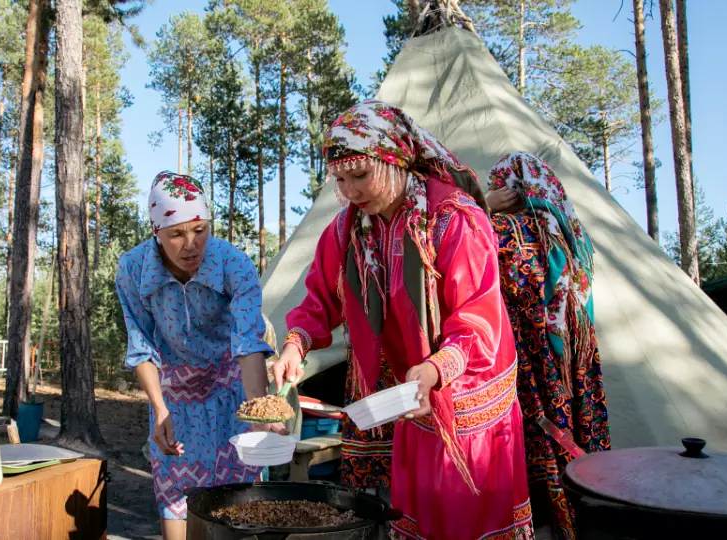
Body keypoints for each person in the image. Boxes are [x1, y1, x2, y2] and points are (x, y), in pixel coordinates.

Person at [273, 100, 532, 540]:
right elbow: (320, 297)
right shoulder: (349, 230)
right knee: (419, 512)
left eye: (361, 175)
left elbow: (477, 316)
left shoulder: (453, 219)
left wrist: (435, 369)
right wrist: (295, 344)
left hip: (468, 389)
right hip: (416, 391)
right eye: (340, 179)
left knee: (465, 514)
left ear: (395, 159)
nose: (352, 191)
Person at [116, 171, 277, 540]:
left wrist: (257, 412)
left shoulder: (233, 263)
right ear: (156, 231)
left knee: (243, 508)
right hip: (174, 402)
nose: (191, 245)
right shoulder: (132, 269)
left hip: (232, 394)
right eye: (176, 234)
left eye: (200, 229)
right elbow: (141, 345)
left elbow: (248, 342)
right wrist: (159, 409)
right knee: (176, 500)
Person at [486, 153, 610, 539]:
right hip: (575, 364)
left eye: (496, 186)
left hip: (531, 362)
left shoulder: (506, 230)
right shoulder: (570, 234)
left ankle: (547, 522)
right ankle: (582, 519)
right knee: (574, 441)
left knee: (540, 449)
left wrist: (481, 205)